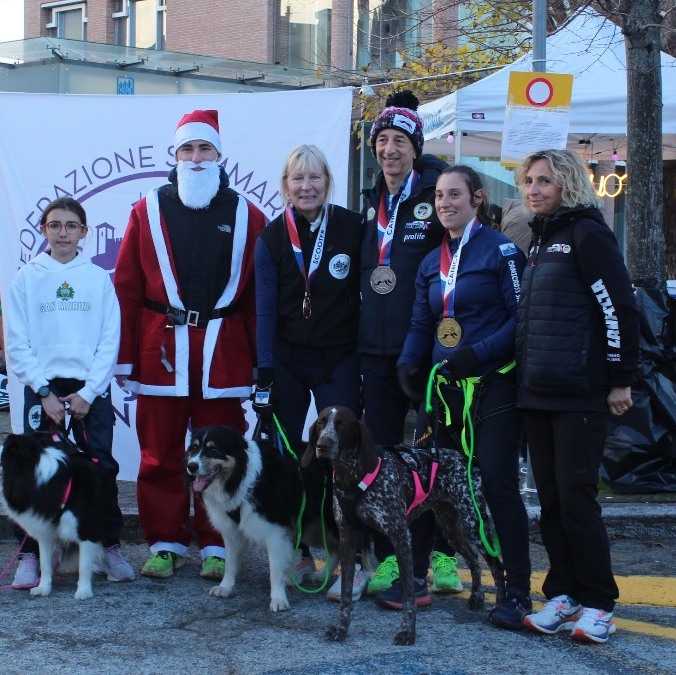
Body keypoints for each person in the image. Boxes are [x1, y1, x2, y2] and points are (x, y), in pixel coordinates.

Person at [114, 110, 267, 580]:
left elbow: (261, 296)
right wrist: (124, 358)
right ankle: (165, 542)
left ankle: (218, 544)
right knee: (158, 452)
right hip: (160, 350)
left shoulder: (249, 215)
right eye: (187, 149)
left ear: (220, 155)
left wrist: (263, 363)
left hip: (223, 353)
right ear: (175, 155)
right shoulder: (146, 210)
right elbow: (127, 285)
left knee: (222, 454)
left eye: (205, 149)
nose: (196, 158)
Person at [389, 165, 532, 629]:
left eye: (455, 195)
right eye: (438, 198)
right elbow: (422, 323)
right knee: (425, 482)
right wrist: (408, 364)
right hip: (443, 391)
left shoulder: (503, 251)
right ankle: (414, 579)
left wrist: (479, 354)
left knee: (497, 485)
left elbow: (520, 320)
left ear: (476, 198)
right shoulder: (432, 261)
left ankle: (517, 591)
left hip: (492, 388)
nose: (445, 203)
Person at [515, 149, 640, 644]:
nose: (534, 189)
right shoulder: (540, 240)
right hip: (538, 394)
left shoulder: (589, 234)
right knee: (549, 502)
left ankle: (598, 603)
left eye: (544, 180)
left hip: (580, 394)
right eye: (529, 181)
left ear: (567, 183)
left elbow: (619, 309)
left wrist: (620, 379)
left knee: (577, 500)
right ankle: (563, 594)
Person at [356, 90, 460, 602]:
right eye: (383, 140)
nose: (390, 149)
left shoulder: (436, 195)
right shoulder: (370, 200)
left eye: (400, 141)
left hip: (421, 355)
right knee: (382, 460)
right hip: (375, 356)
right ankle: (391, 560)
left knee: (429, 460)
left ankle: (436, 554)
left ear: (416, 148)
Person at [4, 196, 134, 587]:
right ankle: (31, 554)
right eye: (55, 225)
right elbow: (17, 342)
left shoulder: (97, 278)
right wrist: (43, 391)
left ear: (84, 232)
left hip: (87, 390)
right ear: (44, 230)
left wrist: (90, 392)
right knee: (34, 472)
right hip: (42, 388)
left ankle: (106, 545)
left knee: (101, 470)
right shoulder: (28, 277)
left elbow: (109, 341)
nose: (63, 232)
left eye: (71, 225)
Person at [253, 143, 362, 581]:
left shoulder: (354, 228)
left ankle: (347, 549)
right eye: (297, 178)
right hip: (287, 360)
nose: (306, 186)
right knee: (286, 458)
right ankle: (297, 549)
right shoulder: (272, 237)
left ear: (328, 181)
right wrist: (263, 370)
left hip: (338, 357)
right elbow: (263, 308)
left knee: (339, 455)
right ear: (285, 186)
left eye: (314, 177)